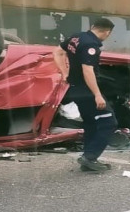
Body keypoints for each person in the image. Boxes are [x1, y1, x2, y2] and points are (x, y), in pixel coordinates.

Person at [53, 18, 117, 171]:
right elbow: (87, 71)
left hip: (75, 88)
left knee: (91, 123)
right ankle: (90, 157)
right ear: (107, 32)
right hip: (87, 91)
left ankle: (88, 161)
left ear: (92, 26)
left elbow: (58, 52)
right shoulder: (91, 45)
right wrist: (97, 95)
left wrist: (65, 73)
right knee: (109, 123)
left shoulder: (76, 37)